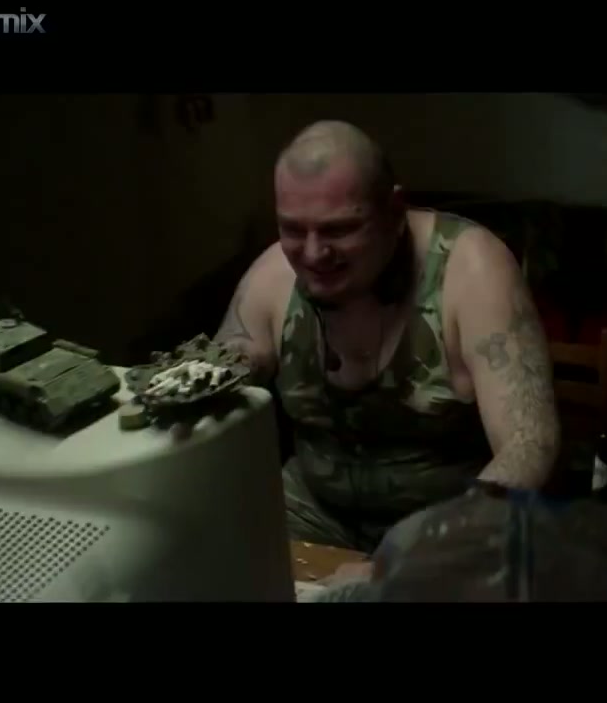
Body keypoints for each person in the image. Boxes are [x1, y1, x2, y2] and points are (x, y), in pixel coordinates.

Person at [212, 120, 562, 556]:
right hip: (309, 519)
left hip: (445, 529)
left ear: (394, 212)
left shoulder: (471, 269)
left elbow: (531, 445)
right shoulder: (274, 275)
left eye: (340, 230)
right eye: (294, 230)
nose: (314, 254)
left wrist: (411, 556)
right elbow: (215, 373)